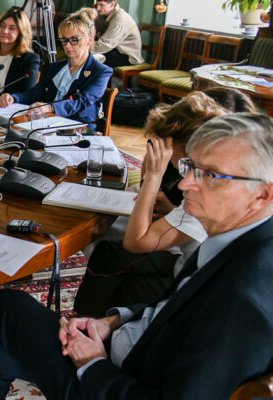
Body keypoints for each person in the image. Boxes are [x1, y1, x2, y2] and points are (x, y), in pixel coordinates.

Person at [0, 113, 273, 399]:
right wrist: (112, 322)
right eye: (190, 167)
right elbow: (175, 304)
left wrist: (92, 364)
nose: (184, 184)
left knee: (6, 309)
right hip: (131, 349)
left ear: (262, 195)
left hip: (117, 381)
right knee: (3, 342)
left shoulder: (241, 301)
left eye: (209, 175)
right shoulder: (239, 237)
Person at [73, 91, 231, 317]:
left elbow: (135, 243)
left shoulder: (206, 189)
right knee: (108, 236)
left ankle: (87, 321)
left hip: (186, 270)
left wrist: (155, 175)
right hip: (186, 248)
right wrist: (168, 202)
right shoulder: (208, 173)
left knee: (110, 250)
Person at [0, 8, 112, 131]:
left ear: (90, 40)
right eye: (64, 40)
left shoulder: (101, 71)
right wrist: (14, 98)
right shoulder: (55, 67)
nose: (67, 45)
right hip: (47, 124)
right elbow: (36, 92)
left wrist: (50, 107)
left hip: (78, 129)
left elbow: (82, 102)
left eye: (74, 40)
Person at [92, 0, 143, 68]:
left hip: (127, 56)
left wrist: (83, 48)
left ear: (112, 4)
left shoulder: (120, 19)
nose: (98, 8)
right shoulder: (103, 14)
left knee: (92, 57)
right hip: (113, 49)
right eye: (97, 5)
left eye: (101, 5)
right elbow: (91, 29)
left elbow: (105, 44)